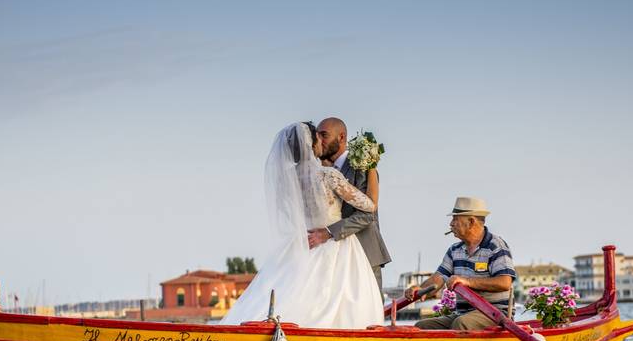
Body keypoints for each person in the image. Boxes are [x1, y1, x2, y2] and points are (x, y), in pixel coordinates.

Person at [220, 122, 384, 329]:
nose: (321, 141)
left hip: (303, 241)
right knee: (341, 302)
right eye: (319, 136)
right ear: (312, 142)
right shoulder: (328, 175)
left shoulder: (286, 178)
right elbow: (370, 206)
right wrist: (372, 168)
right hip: (335, 246)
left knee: (296, 292)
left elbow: (289, 213)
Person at [306, 117, 391, 294]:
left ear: (341, 137)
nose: (319, 140)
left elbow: (367, 215)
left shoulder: (363, 166)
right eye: (317, 136)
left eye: (324, 135)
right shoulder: (319, 171)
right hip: (331, 255)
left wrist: (328, 233)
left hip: (364, 250)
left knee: (368, 312)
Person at [405, 197, 517, 330]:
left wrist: (467, 281)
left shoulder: (495, 245)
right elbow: (439, 278)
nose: (451, 224)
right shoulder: (454, 250)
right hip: (465, 313)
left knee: (461, 323)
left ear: (471, 222)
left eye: (455, 219)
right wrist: (420, 289)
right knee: (422, 326)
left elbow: (504, 282)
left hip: (496, 314)